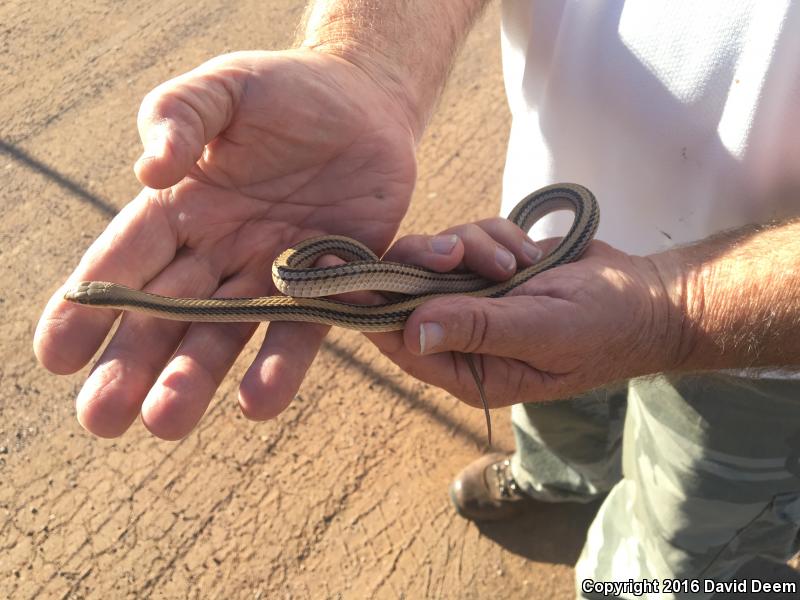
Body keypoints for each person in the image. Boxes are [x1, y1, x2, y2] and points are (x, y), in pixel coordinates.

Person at [34, 0, 800, 597]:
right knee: (555, 406)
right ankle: (561, 480)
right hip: (540, 258)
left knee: (685, 567)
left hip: (761, 334)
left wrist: (678, 309)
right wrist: (366, 65)